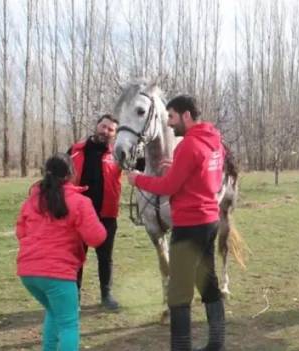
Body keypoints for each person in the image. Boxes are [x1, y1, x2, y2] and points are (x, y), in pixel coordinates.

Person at [126, 95, 226, 351]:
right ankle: (217, 343)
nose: (169, 123)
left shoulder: (188, 146)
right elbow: (207, 179)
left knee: (178, 293)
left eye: (171, 116)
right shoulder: (214, 141)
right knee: (208, 281)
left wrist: (138, 179)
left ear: (186, 115)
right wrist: (176, 168)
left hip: (189, 224)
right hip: (209, 221)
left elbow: (169, 187)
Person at [16, 153, 106, 351]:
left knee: (54, 312)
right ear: (71, 174)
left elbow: (20, 232)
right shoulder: (80, 202)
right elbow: (97, 238)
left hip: (28, 272)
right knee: (68, 324)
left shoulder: (31, 201)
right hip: (58, 273)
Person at [68, 114, 122, 310]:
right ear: (96, 125)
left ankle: (106, 295)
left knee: (105, 257)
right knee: (76, 256)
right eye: (103, 126)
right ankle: (74, 297)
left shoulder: (118, 154)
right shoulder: (75, 150)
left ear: (114, 134)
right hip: (77, 215)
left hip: (106, 214)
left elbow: (140, 166)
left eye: (110, 129)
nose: (105, 131)